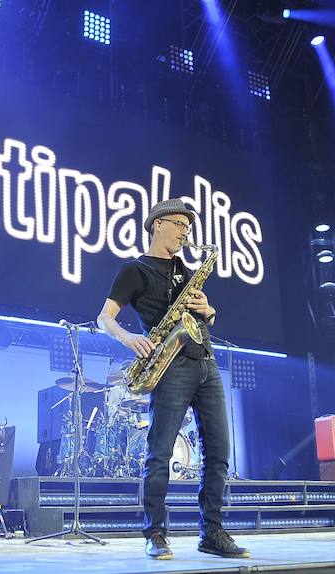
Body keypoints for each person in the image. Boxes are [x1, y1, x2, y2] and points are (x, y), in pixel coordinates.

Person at [97, 198, 248, 560]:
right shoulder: (134, 271)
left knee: (219, 454)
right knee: (160, 452)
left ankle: (212, 532)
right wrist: (129, 337)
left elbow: (204, 317)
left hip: (205, 362)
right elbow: (105, 317)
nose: (185, 232)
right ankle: (156, 534)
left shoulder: (186, 270)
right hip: (169, 365)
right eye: (179, 224)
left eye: (187, 227)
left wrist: (209, 310)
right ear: (157, 224)